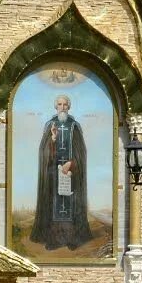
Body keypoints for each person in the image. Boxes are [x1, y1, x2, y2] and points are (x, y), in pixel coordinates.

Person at [32, 94, 91, 250]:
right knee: (54, 204)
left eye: (65, 104)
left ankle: (72, 239)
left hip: (72, 173)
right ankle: (55, 239)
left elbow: (81, 152)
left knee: (70, 203)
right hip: (53, 174)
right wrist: (52, 139)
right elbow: (43, 151)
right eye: (60, 104)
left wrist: (71, 163)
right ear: (55, 106)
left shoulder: (74, 126)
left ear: (69, 107)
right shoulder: (49, 125)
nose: (62, 107)